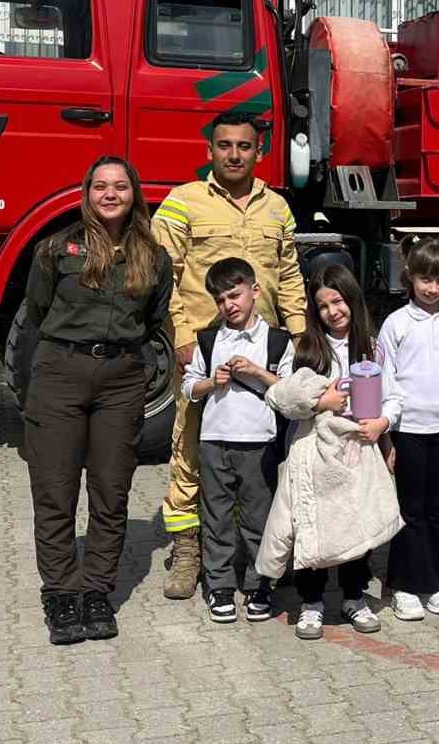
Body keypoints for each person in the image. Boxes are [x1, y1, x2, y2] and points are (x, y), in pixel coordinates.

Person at [152, 110, 309, 600]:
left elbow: (287, 277)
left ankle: (258, 548)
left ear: (258, 151)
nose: (234, 155)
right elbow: (162, 274)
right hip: (205, 354)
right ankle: (187, 550)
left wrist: (302, 338)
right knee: (191, 450)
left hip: (263, 359)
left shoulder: (278, 208)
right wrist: (181, 337)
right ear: (210, 151)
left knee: (263, 455)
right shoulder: (183, 203)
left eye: (244, 146)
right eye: (225, 146)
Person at [23, 156, 173, 645]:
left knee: (112, 491)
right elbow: (39, 310)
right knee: (55, 490)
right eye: (101, 186)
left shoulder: (154, 256)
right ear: (87, 193)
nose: (110, 194)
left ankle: (96, 591)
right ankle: (61, 593)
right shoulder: (55, 249)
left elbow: (153, 319)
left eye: (121, 187)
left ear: (135, 195)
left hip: (121, 380)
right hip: (59, 374)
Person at [258, 264, 393, 639]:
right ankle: (312, 601)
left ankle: (353, 595)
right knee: (310, 526)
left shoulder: (373, 346)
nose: (333, 311)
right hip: (312, 454)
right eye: (323, 306)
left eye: (338, 301)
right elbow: (282, 397)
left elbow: (393, 396)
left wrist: (384, 427)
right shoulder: (303, 348)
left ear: (353, 299)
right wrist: (322, 401)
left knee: (355, 522)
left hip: (357, 450)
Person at [181, 257, 293, 624]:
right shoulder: (210, 340)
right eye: (220, 299)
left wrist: (258, 372)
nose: (229, 305)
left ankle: (260, 585)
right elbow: (188, 387)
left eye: (235, 295)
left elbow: (290, 391)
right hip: (215, 439)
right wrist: (213, 382)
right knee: (216, 518)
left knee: (259, 519)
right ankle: (220, 586)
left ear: (254, 291)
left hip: (259, 441)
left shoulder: (277, 342)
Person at [378, 236, 439, 621]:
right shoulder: (396, 323)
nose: (432, 288)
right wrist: (387, 437)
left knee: (435, 510)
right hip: (407, 431)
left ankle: (433, 583)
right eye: (425, 280)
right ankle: (402, 584)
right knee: (409, 510)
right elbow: (386, 381)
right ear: (410, 276)